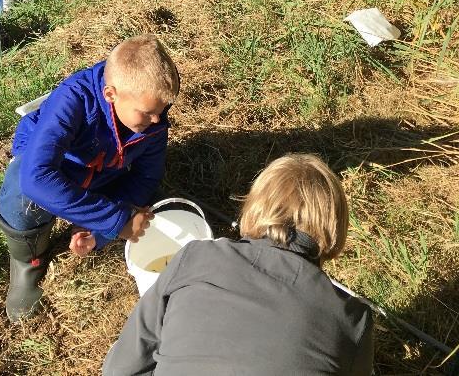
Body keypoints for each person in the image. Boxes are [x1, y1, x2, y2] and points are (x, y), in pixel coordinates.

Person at [103, 153, 374, 376]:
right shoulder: (353, 319)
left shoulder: (194, 257)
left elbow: (121, 368)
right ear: (334, 227)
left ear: (255, 207)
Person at [0, 33, 180, 322]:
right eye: (148, 113)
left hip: (103, 167)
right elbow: (36, 177)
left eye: (163, 110)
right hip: (55, 166)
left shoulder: (153, 118)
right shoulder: (73, 99)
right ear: (110, 94)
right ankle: (26, 260)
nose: (157, 121)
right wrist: (117, 220)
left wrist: (99, 229)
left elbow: (146, 177)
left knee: (132, 192)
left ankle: (88, 211)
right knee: (21, 192)